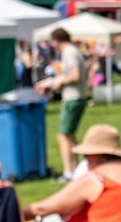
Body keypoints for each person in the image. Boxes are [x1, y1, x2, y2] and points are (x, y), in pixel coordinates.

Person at [36, 29, 88, 182]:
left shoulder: (69, 52)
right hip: (76, 97)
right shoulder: (73, 51)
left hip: (72, 98)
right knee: (70, 135)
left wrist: (57, 82)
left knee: (63, 136)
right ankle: (76, 171)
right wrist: (50, 82)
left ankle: (68, 173)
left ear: (55, 40)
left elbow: (75, 75)